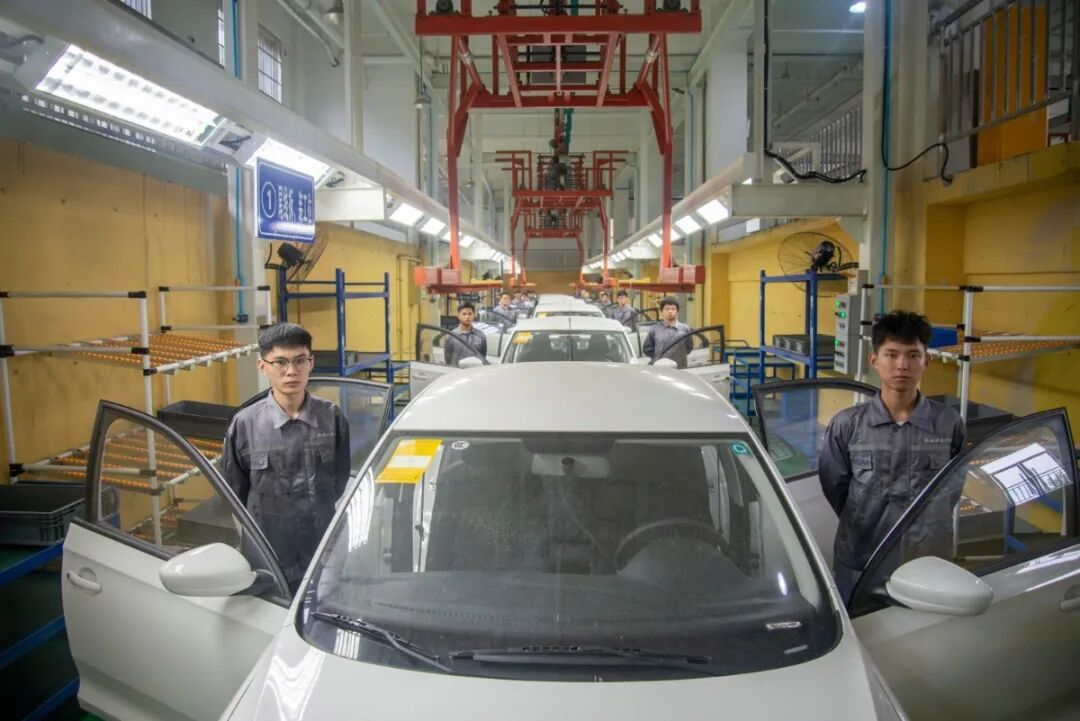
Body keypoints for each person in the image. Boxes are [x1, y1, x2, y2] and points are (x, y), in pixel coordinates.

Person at [818, 311, 966, 601]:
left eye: (913, 355)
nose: (902, 365)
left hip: (926, 559)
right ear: (875, 360)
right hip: (863, 558)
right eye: (892, 354)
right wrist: (867, 516)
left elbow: (951, 491)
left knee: (926, 626)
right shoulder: (847, 425)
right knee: (862, 625)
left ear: (926, 360)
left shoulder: (948, 424)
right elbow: (835, 488)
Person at [221, 323, 351, 591]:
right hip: (269, 554)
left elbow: (339, 481)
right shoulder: (244, 425)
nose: (291, 371)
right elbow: (234, 493)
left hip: (322, 550)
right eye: (280, 362)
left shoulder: (332, 417)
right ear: (262, 366)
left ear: (311, 363)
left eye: (300, 361)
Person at [642, 297, 692, 367]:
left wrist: (678, 356)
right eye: (667, 309)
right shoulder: (654, 329)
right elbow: (647, 349)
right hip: (660, 368)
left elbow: (689, 348)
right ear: (661, 311)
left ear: (677, 311)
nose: (670, 311)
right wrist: (658, 357)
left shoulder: (685, 329)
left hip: (680, 368)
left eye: (673, 309)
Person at [445, 302, 487, 367]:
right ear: (458, 316)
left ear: (474, 315)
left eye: (470, 314)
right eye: (464, 314)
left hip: (475, 371)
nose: (467, 317)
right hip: (456, 371)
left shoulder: (481, 335)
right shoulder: (451, 336)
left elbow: (483, 356)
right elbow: (448, 359)